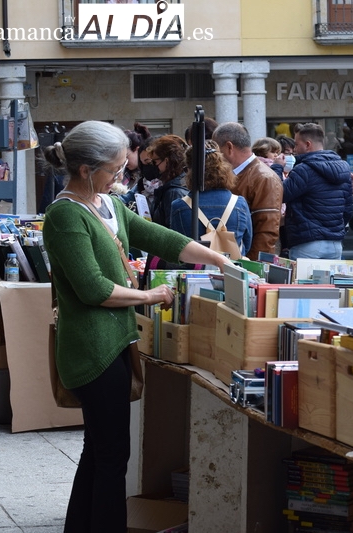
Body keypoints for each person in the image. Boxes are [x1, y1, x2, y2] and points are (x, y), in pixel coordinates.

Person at [41, 120, 231, 532]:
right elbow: (93, 289)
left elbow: (158, 236)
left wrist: (217, 258)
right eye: (114, 170)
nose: (122, 177)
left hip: (114, 342)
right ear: (87, 171)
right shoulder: (64, 215)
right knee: (112, 458)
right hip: (92, 349)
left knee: (99, 451)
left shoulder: (107, 205)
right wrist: (152, 297)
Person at [282, 122, 353, 260]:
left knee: (303, 282)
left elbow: (279, 194)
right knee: (331, 282)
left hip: (307, 243)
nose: (294, 149)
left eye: (296, 144)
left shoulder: (303, 169)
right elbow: (348, 209)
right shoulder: (344, 168)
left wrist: (277, 168)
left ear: (308, 144)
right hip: (335, 243)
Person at [213, 122, 283, 260]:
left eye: (217, 151)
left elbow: (266, 233)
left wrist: (250, 267)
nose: (216, 157)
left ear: (229, 147)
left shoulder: (264, 178)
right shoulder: (246, 174)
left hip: (247, 265)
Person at [170, 140, 253, 256]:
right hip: (231, 270)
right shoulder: (239, 203)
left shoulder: (179, 206)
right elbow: (247, 243)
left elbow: (177, 247)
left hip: (194, 272)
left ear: (190, 171)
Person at [146, 135, 190, 228]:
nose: (154, 166)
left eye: (155, 162)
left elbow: (172, 231)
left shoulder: (173, 192)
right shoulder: (180, 183)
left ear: (166, 160)